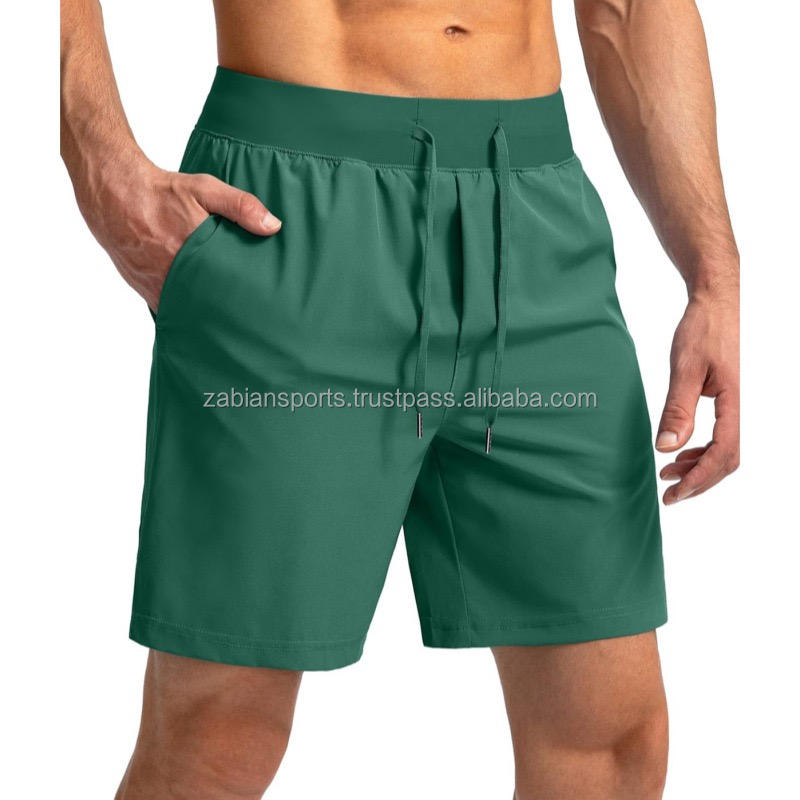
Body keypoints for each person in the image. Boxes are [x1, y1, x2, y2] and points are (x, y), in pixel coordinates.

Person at [60, 1, 740, 797]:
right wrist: (101, 160)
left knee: (610, 740)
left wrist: (713, 275)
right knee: (219, 735)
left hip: (537, 226)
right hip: (292, 219)